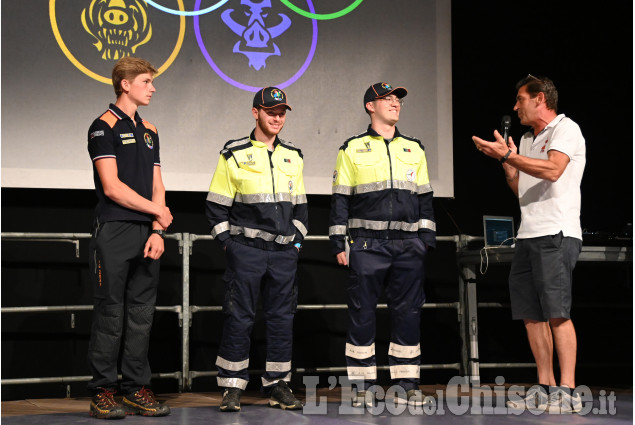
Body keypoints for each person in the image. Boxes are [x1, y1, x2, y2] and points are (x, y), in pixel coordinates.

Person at [472, 74, 586, 414]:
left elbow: (552, 171)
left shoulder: (566, 129)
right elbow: (521, 187)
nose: (515, 106)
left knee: (556, 312)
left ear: (540, 99)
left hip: (557, 233)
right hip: (528, 235)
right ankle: (544, 385)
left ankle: (568, 390)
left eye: (520, 99)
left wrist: (509, 157)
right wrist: (506, 162)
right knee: (531, 316)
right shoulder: (524, 138)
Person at [329, 82, 436, 407]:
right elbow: (340, 201)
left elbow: (425, 199)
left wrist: (425, 241)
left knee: (408, 314)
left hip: (408, 247)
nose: (394, 103)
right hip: (366, 246)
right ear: (369, 106)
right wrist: (338, 242)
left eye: (397, 99)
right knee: (362, 316)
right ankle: (362, 387)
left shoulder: (414, 148)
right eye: (386, 99)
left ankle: (406, 385)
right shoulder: (351, 148)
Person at [206, 87, 307, 412]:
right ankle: (232, 387)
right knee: (239, 317)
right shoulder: (232, 153)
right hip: (246, 252)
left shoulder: (294, 155)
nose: (277, 118)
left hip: (283, 256)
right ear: (255, 113)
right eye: (270, 112)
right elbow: (216, 207)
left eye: (281, 113)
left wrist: (296, 244)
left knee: (282, 319)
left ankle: (277, 385)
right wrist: (229, 246)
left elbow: (302, 210)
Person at [86, 56, 172, 419]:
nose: (152, 88)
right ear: (125, 84)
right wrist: (157, 213)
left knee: (141, 314)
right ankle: (103, 391)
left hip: (146, 234)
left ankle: (136, 388)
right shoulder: (102, 127)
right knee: (110, 313)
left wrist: (157, 229)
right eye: (147, 82)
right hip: (115, 229)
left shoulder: (150, 129)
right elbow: (112, 187)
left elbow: (157, 185)